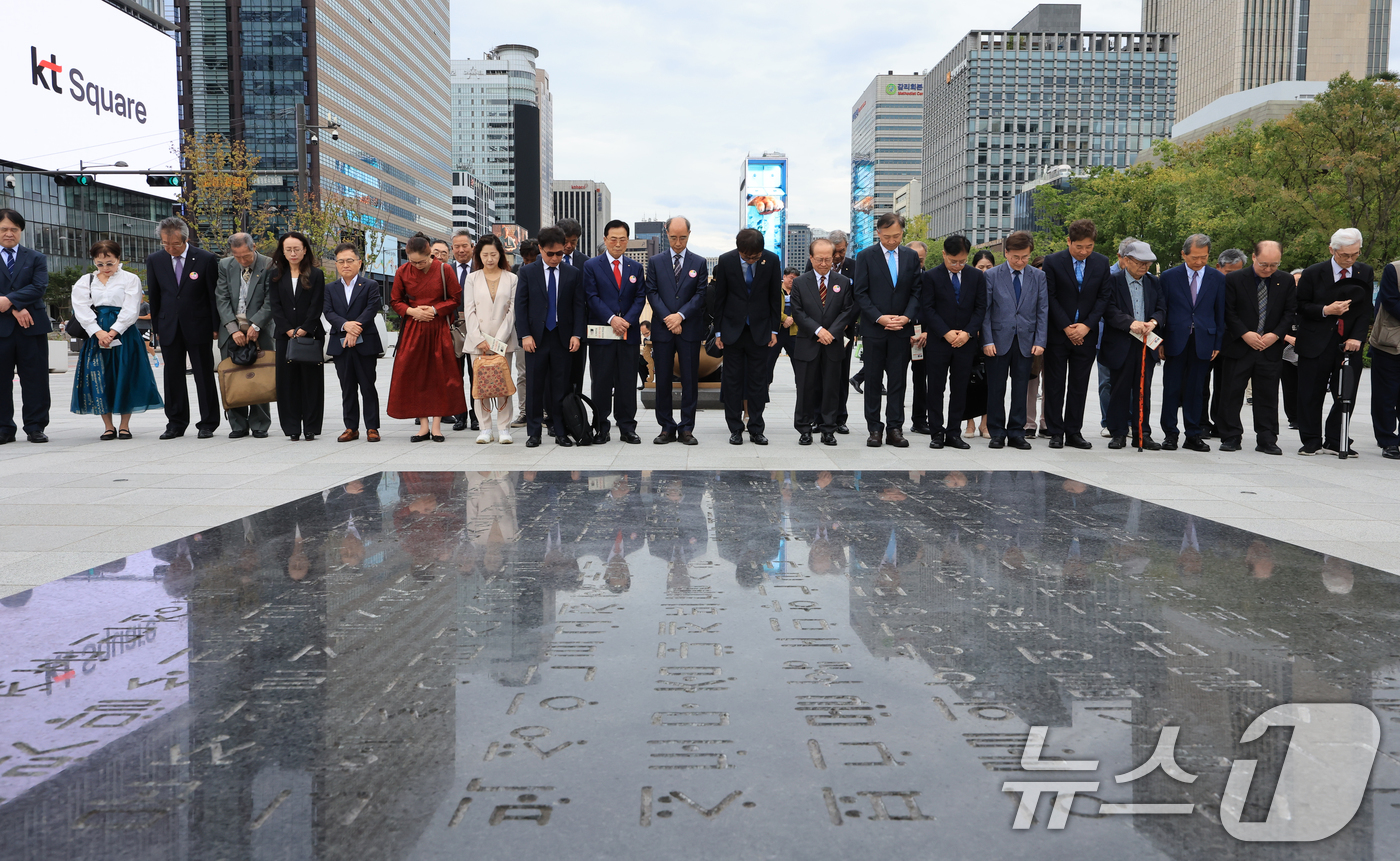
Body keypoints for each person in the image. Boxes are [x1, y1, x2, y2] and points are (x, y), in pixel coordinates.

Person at [69, 239, 163, 437]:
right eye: (100, 264)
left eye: (109, 263)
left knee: (125, 374)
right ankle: (108, 426)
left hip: (124, 333)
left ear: (118, 259)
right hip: (96, 333)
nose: (105, 268)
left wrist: (113, 331)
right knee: (99, 376)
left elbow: (131, 308)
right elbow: (81, 308)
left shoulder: (129, 279)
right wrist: (98, 332)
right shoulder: (86, 281)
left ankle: (125, 425)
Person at [1294, 227, 1373, 457]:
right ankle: (1311, 439)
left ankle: (1336, 438)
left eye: (1355, 254)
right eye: (1344, 255)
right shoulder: (1312, 273)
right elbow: (1299, 306)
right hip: (1316, 340)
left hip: (1348, 342)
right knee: (1310, 391)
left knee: (1346, 391)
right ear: (1332, 250)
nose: (1350, 260)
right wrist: (1325, 310)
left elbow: (1365, 308)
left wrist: (1357, 337)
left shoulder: (1364, 272)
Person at [387, 234, 468, 441]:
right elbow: (396, 301)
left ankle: (438, 425)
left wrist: (433, 309)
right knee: (415, 375)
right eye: (413, 262)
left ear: (430, 253)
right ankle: (423, 425)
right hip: (413, 329)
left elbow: (455, 298)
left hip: (438, 328)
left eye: (421, 261)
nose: (417, 265)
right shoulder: (403, 271)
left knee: (440, 375)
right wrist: (413, 312)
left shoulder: (444, 269)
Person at [1217, 240, 1295, 455]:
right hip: (1239, 346)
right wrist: (1244, 333)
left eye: (1274, 265)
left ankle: (1267, 438)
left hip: (1269, 348)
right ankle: (1231, 435)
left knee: (1268, 394)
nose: (1268, 269)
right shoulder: (1234, 279)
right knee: (1232, 392)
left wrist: (1276, 335)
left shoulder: (1285, 280)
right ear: (1253, 257)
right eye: (1264, 264)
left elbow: (1290, 312)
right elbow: (1228, 311)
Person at [146, 216, 221, 439]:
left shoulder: (205, 259)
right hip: (169, 325)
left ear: (186, 240)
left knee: (203, 375)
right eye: (165, 244)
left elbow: (212, 296)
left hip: (199, 324)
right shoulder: (155, 260)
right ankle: (176, 422)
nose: (170, 248)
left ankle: (208, 422)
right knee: (173, 376)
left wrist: (215, 326)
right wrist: (156, 327)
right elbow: (155, 295)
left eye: (175, 244)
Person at [853, 212, 921, 448]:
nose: (892, 241)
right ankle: (874, 428)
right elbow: (860, 292)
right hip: (875, 329)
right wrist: (880, 318)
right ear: (878, 233)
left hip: (902, 329)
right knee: (872, 380)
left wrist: (907, 317)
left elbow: (916, 291)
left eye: (897, 236)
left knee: (898, 381)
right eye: (887, 236)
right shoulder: (865, 256)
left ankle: (895, 428)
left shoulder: (911, 256)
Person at [1042, 219, 1110, 450]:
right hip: (1059, 334)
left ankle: (1073, 431)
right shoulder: (1052, 262)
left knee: (1079, 385)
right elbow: (1049, 297)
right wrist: (1067, 327)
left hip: (1087, 334)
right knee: (1054, 384)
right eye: (1079, 246)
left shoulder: (1102, 263)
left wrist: (1086, 326)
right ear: (1069, 241)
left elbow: (1103, 298)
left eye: (1089, 246)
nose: (1084, 252)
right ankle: (1055, 432)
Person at [711, 227, 782, 445]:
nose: (751, 260)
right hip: (732, 330)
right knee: (731, 381)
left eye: (756, 256)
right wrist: (718, 332)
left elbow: (773, 297)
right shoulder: (726, 261)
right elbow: (719, 298)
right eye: (747, 257)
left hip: (760, 330)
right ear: (738, 249)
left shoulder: (771, 260)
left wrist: (774, 329)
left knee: (758, 382)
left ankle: (756, 428)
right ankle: (735, 428)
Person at [515, 225, 585, 447]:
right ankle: (534, 432)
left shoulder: (572, 273)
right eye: (550, 254)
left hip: (562, 338)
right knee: (535, 386)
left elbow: (578, 307)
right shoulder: (527, 272)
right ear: (540, 249)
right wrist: (525, 335)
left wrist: (577, 334)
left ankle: (561, 431)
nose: (555, 258)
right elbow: (521, 306)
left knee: (561, 387)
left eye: (560, 254)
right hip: (536, 338)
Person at [1159, 234, 1226, 452]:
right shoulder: (1169, 277)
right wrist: (1159, 341)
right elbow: (1163, 310)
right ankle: (1170, 433)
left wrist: (1217, 341)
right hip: (1175, 338)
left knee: (1197, 389)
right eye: (1194, 257)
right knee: (1172, 388)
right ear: (1183, 254)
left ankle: (1194, 434)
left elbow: (1220, 312)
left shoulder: (1217, 278)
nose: (1199, 262)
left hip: (1203, 339)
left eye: (1204, 258)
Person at [919, 234, 986, 451]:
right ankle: (937, 432)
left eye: (962, 261)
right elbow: (927, 308)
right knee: (936, 388)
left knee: (960, 389)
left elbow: (980, 308)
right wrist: (945, 332)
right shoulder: (931, 276)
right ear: (944, 255)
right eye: (953, 261)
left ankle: (954, 432)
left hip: (965, 343)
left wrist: (967, 333)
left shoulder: (976, 276)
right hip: (939, 341)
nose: (958, 266)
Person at [982, 230, 1048, 449]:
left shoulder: (1038, 276)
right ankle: (997, 432)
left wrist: (1040, 341)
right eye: (1016, 257)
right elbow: (986, 311)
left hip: (1026, 341)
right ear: (1006, 253)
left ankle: (1017, 432)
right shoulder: (991, 275)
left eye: (1025, 257)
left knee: (1021, 388)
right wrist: (987, 341)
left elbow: (1042, 310)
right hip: (998, 340)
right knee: (996, 388)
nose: (1020, 261)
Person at [645, 215, 708, 445]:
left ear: (689, 235)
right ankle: (666, 427)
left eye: (682, 237)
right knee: (663, 379)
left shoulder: (699, 262)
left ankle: (686, 428)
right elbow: (651, 292)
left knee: (690, 380)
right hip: (663, 330)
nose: (678, 242)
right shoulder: (655, 261)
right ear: (666, 233)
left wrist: (680, 316)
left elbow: (701, 294)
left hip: (689, 328)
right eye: (673, 237)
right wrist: (668, 318)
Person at [583, 220, 646, 444]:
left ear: (627, 240)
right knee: (601, 381)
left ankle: (627, 426)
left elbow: (640, 298)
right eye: (613, 239)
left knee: (627, 382)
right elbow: (591, 297)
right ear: (605, 239)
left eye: (622, 239)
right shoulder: (592, 266)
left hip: (628, 335)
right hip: (602, 334)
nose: (617, 244)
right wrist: (612, 319)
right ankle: (601, 426)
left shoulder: (635, 267)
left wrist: (626, 321)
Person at [789, 238, 856, 445]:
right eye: (820, 259)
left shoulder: (842, 282)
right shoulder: (800, 282)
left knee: (831, 388)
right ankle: (804, 428)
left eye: (828, 259)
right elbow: (798, 313)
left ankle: (829, 428)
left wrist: (832, 332)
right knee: (806, 388)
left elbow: (848, 311)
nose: (824, 263)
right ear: (811, 258)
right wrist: (818, 331)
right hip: (808, 342)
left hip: (833, 344)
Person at [1102, 241, 1167, 450]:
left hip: (1146, 343)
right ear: (1126, 261)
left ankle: (1142, 432)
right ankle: (1118, 432)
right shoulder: (1112, 281)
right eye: (1140, 263)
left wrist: (1153, 322)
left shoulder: (1153, 282)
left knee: (1143, 389)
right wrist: (1130, 323)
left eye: (1148, 263)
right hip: (1121, 342)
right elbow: (1108, 310)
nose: (1144, 267)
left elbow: (1162, 308)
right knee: (1119, 388)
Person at [214, 232, 275, 438]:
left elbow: (271, 299)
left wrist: (256, 325)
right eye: (237, 256)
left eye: (246, 256)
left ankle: (260, 423)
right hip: (231, 329)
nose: (242, 260)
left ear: (254, 247)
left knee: (260, 375)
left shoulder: (269, 264)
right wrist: (232, 329)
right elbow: (221, 298)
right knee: (232, 377)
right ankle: (237, 424)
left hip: (260, 329)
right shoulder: (225, 265)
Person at [0, 208, 51, 444]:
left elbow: (39, 287)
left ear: (21, 231)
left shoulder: (36, 258)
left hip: (32, 326)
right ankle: (4, 428)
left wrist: (10, 301)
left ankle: (35, 426)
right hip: (2, 328)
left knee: (36, 379)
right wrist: (14, 308)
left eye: (14, 229)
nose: (9, 233)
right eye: (4, 229)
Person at [268, 231, 326, 441]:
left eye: (296, 249)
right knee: (287, 383)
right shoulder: (274, 275)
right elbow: (275, 306)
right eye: (288, 249)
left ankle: (311, 427)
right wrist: (287, 329)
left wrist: (305, 327)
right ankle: (291, 427)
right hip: (285, 336)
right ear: (282, 252)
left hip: (310, 335)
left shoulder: (316, 274)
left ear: (304, 250)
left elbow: (317, 304)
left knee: (311, 383)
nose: (293, 253)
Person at [463, 233, 519, 444]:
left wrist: (497, 342)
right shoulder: (472, 278)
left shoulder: (512, 278)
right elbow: (469, 310)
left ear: (500, 254)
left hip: (503, 342)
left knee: (503, 383)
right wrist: (479, 340)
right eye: (485, 254)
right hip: (478, 341)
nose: (489, 259)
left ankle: (504, 427)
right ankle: (485, 427)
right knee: (481, 384)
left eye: (493, 254)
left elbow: (512, 312)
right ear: (479, 255)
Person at [324, 242, 382, 443]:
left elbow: (371, 309)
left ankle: (372, 427)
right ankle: (351, 427)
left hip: (365, 343)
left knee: (367, 385)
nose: (345, 265)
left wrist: (354, 329)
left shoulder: (370, 285)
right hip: (340, 343)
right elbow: (328, 312)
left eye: (349, 260)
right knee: (347, 387)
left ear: (359, 262)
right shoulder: (330, 288)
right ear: (336, 264)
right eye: (341, 261)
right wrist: (345, 326)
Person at [1203, 248, 1250, 437]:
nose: (1233, 276)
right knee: (1201, 384)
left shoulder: (1244, 284)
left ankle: (1221, 424)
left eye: (1238, 272)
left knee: (1225, 387)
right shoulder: (1209, 281)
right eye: (1229, 272)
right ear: (1218, 267)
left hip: (1231, 342)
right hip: (1207, 340)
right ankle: (1201, 423)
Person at [447, 229, 478, 433]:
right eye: (456, 246)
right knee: (455, 374)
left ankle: (477, 416)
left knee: (476, 373)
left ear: (472, 248)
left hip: (476, 327)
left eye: (464, 246)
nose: (460, 250)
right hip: (452, 326)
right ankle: (460, 415)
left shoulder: (481, 269)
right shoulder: (445, 270)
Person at [963, 250, 996, 439]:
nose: (984, 271)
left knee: (989, 382)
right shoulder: (969, 283)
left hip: (991, 338)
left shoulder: (997, 283)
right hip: (969, 337)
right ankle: (969, 423)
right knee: (968, 381)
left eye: (988, 267)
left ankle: (985, 423)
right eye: (980, 267)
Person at [1371, 258, 1400, 460]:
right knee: (1385, 395)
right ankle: (1387, 440)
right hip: (1389, 343)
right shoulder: (1394, 269)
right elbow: (1390, 301)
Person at [905, 240, 931, 435]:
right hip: (900, 332)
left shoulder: (930, 279)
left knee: (921, 380)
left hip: (923, 335)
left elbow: (935, 307)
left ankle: (920, 420)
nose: (916, 264)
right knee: (895, 379)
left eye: (920, 260)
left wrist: (927, 331)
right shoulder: (896, 278)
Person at [1282, 268, 1304, 430]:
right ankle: (1293, 417)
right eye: (1294, 281)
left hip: (1306, 348)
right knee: (1289, 386)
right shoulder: (1282, 301)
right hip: (1285, 348)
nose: (1297, 285)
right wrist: (1288, 337)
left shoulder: (1309, 302)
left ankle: (1305, 415)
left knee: (1305, 385)